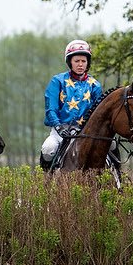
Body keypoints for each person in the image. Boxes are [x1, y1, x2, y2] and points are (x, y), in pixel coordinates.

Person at [40, 39, 104, 170]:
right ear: (70, 62)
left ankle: (117, 174)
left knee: (112, 144)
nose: (80, 64)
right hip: (60, 131)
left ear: (88, 63)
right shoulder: (57, 81)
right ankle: (46, 178)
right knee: (48, 148)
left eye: (83, 61)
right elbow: (51, 108)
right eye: (77, 61)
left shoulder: (95, 85)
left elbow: (99, 113)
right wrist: (58, 126)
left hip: (86, 132)